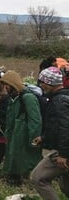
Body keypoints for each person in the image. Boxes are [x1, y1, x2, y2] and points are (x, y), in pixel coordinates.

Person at [30, 67, 69, 199]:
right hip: (63, 149)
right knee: (66, 186)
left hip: (63, 151)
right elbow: (56, 126)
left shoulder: (60, 101)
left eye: (41, 82)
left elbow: (65, 128)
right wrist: (44, 137)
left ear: (49, 82)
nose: (40, 85)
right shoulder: (60, 98)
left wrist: (63, 154)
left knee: (38, 178)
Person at [0, 70, 42, 185]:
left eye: (7, 85)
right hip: (16, 134)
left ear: (13, 84)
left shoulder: (28, 98)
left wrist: (33, 139)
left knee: (27, 160)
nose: (5, 88)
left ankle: (33, 182)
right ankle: (14, 179)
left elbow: (35, 120)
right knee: (14, 157)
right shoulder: (15, 97)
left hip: (24, 135)